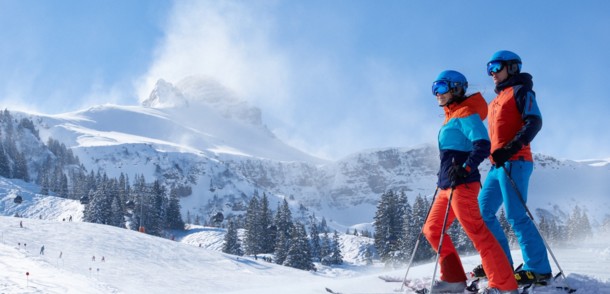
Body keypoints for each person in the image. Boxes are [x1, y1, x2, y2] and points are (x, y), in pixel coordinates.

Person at [423, 70, 518, 294]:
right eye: (434, 89)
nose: (438, 93)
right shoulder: (451, 116)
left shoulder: (465, 113)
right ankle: (454, 279)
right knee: (432, 229)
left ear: (457, 88)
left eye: (442, 87)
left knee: (478, 234)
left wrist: (465, 168)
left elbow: (482, 144)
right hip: (446, 186)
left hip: (463, 185)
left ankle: (504, 286)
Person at [475, 50, 552, 285]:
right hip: (497, 166)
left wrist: (510, 148)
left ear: (512, 67)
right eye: (489, 69)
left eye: (496, 67)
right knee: (483, 211)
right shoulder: (496, 100)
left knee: (516, 215)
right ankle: (501, 263)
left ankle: (538, 269)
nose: (492, 73)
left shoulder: (521, 91)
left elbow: (534, 122)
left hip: (516, 160)